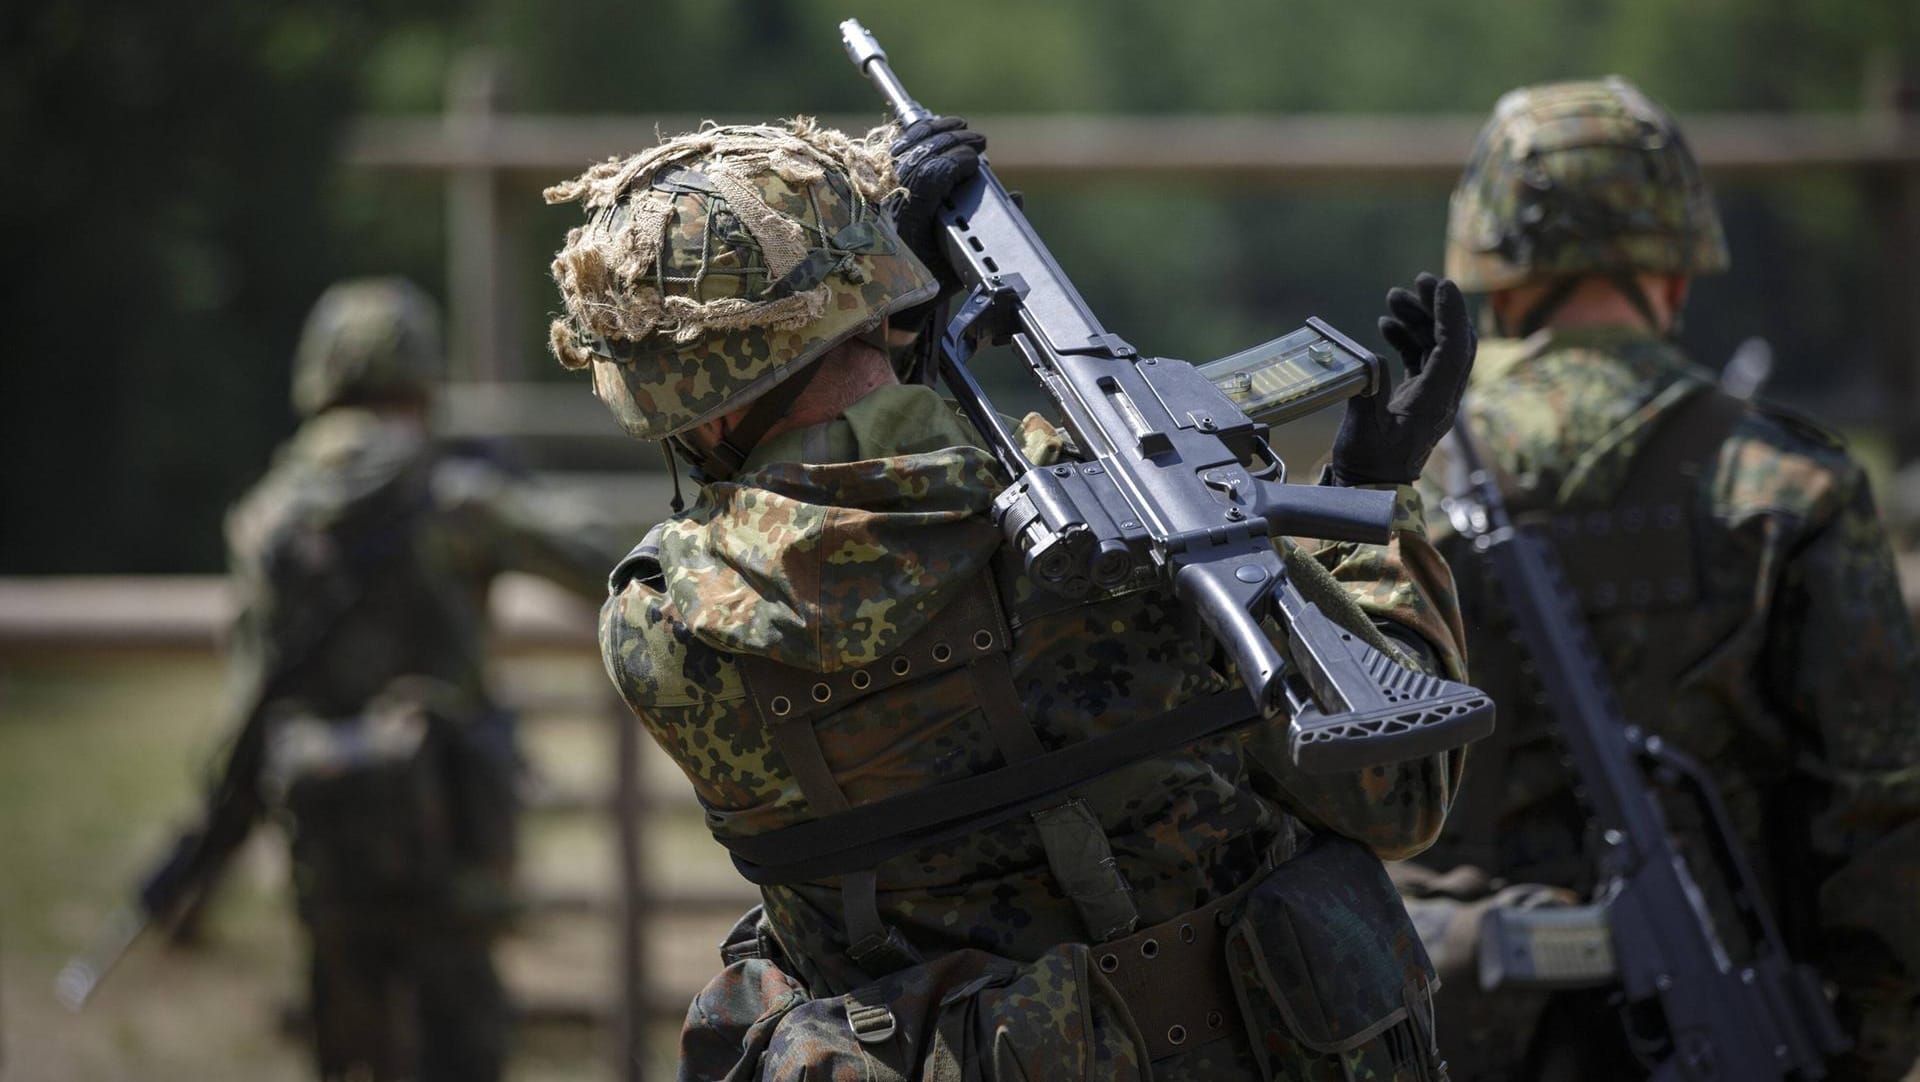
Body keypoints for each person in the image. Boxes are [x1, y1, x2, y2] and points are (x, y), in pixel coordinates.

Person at [547, 116, 1480, 1080]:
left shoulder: (663, 629)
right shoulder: (1113, 529)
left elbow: (856, 544)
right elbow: (1400, 791)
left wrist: (894, 348)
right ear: (877, 299)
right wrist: (1375, 494)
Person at [1398, 77, 1920, 1081]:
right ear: (1676, 271)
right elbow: (1882, 807)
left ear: (1493, 274)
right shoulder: (1787, 483)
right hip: (1722, 1033)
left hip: (1424, 1031)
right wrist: (1869, 1043)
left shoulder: (1396, 478)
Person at [219, 277, 626, 1081]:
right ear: (422, 379)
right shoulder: (454, 498)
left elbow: (249, 694)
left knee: (347, 1053)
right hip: (452, 845)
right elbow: (602, 561)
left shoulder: (267, 514)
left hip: (327, 839)